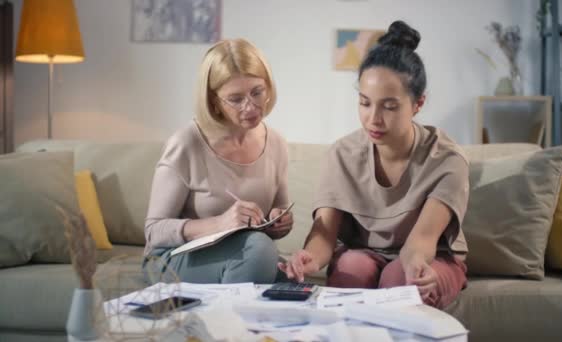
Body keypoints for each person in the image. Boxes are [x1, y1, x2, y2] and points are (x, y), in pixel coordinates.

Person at [279, 21, 469, 309]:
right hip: (363, 252)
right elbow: (325, 235)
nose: (373, 119)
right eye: (365, 103)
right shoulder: (342, 154)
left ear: (418, 104)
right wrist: (309, 258)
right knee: (352, 267)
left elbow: (421, 242)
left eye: (389, 106)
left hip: (428, 257)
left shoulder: (446, 160)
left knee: (401, 280)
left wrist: (418, 269)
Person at [143, 38, 293, 284]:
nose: (251, 106)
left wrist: (280, 223)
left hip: (244, 253)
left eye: (257, 92)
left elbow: (275, 223)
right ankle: (227, 322)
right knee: (258, 250)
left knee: (294, 283)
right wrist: (220, 223)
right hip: (172, 258)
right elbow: (154, 232)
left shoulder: (276, 143)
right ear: (214, 101)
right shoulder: (186, 143)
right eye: (235, 99)